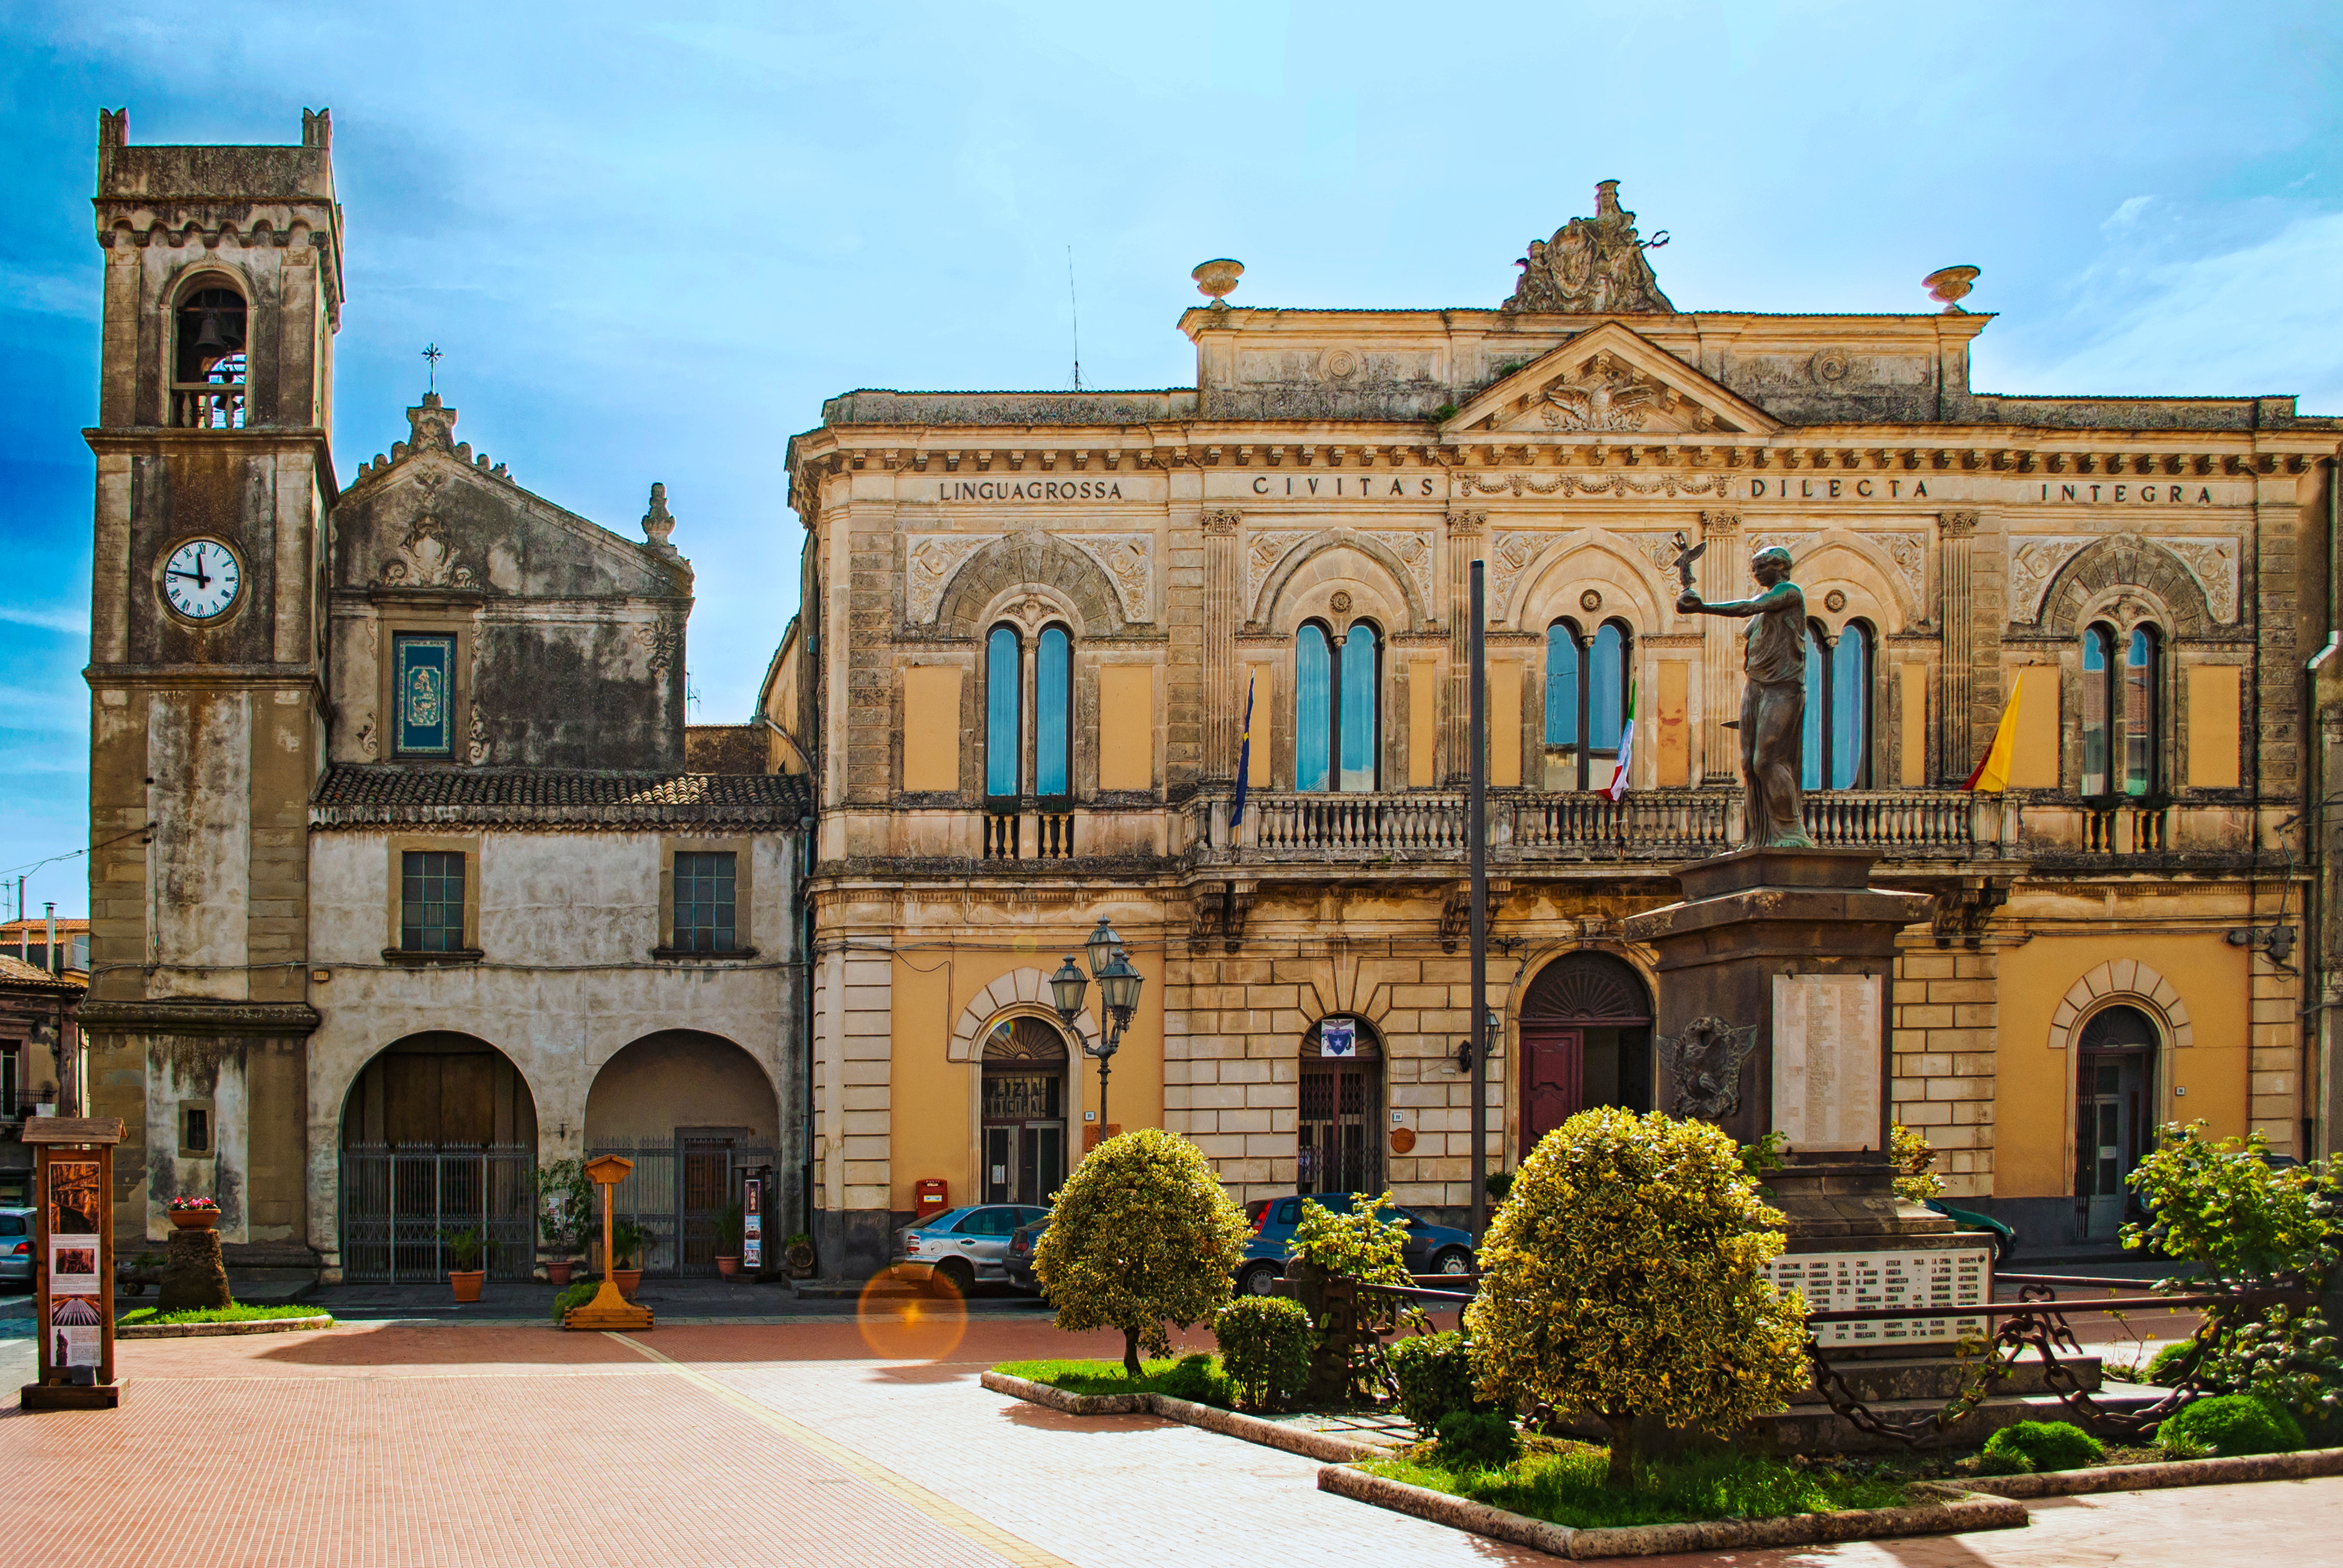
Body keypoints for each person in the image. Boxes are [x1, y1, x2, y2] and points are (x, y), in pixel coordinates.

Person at [1677, 546, 1814, 848]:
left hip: (1783, 685)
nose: (1755, 573)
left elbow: (1745, 607)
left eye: (1760, 567)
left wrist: (1702, 607)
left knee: (1767, 761)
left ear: (1779, 567)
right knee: (1749, 766)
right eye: (1754, 568)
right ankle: (1760, 837)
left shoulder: (1789, 593)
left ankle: (1791, 831)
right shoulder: (1766, 606)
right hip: (1756, 686)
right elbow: (1752, 618)